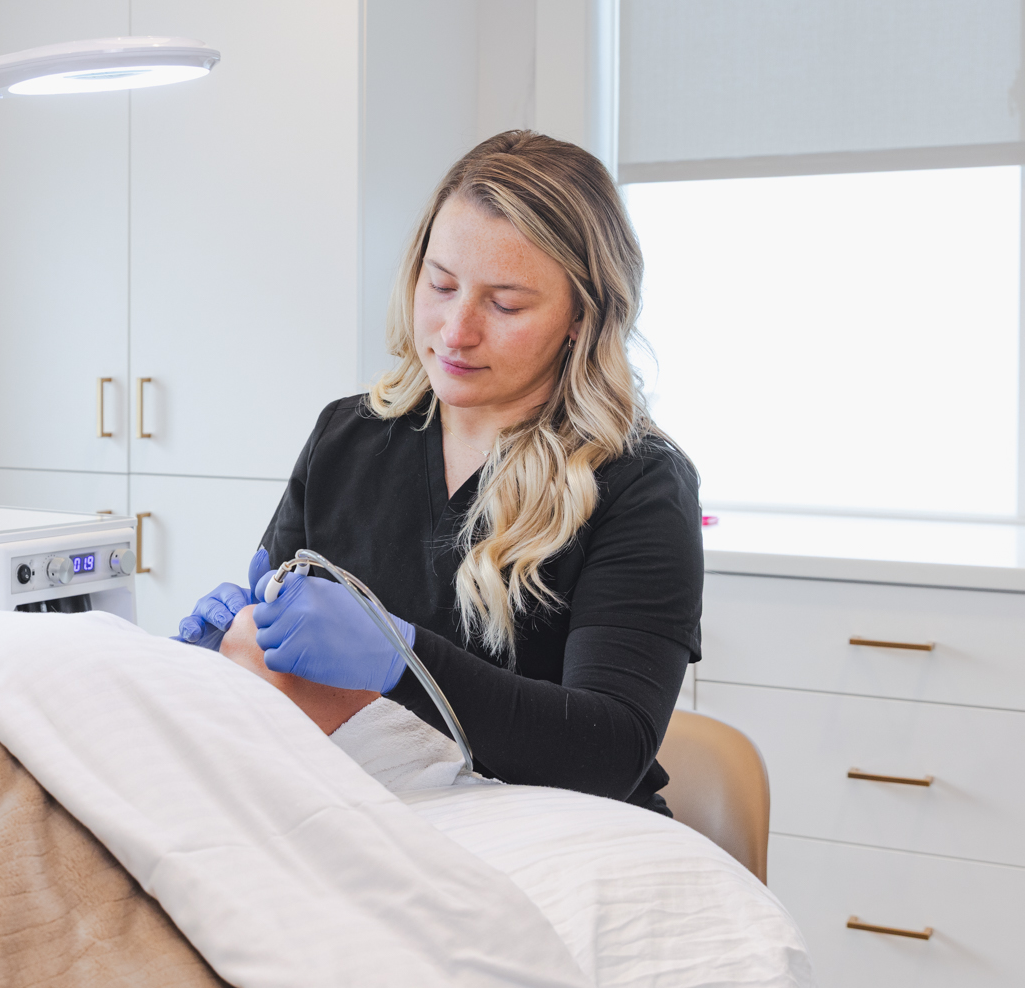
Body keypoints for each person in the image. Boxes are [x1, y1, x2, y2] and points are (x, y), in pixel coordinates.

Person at [177, 130, 701, 813]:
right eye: (442, 284)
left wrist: (404, 661)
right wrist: (217, 654)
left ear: (582, 316)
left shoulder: (639, 484)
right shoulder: (347, 437)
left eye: (506, 304)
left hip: (554, 829)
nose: (456, 331)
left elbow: (610, 752)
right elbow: (276, 659)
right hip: (370, 811)